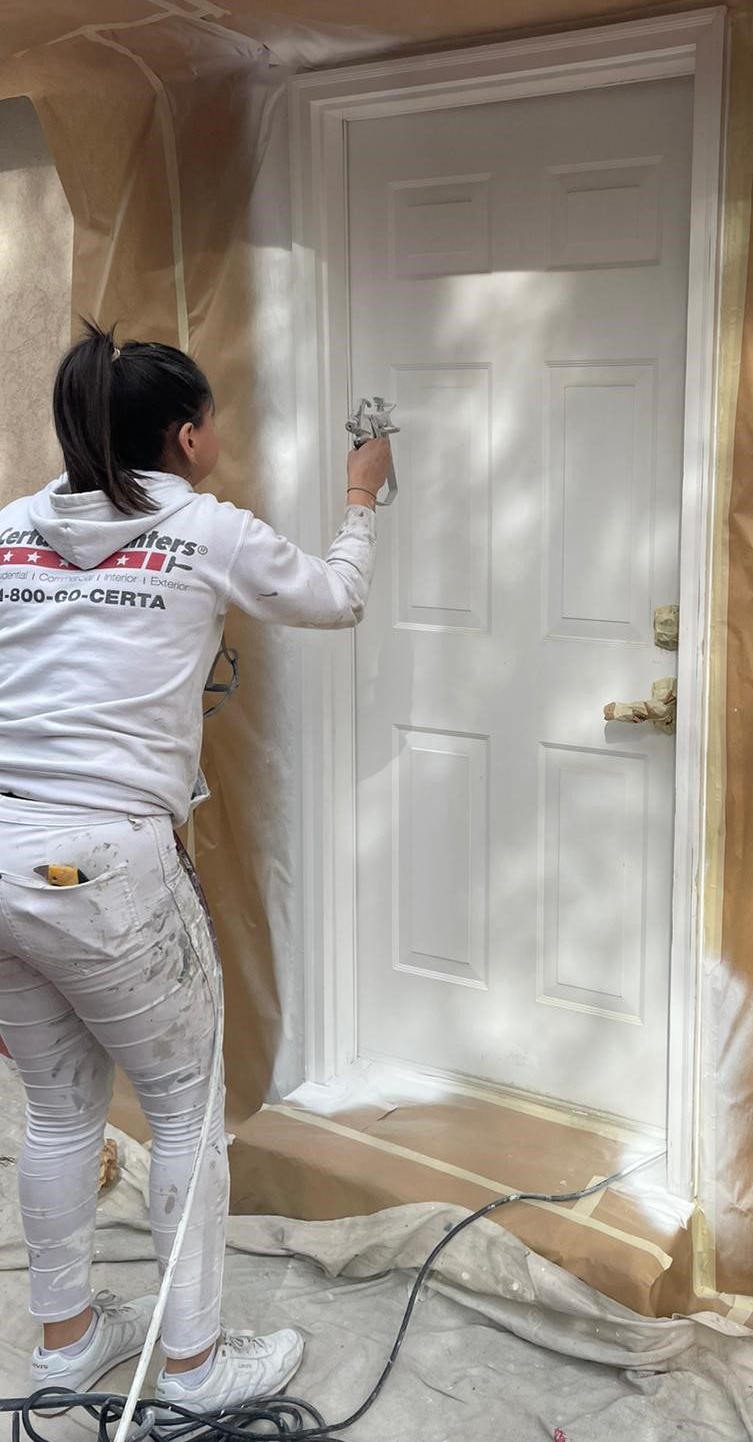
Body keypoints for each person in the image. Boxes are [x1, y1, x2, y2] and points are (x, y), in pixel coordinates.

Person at [0, 322, 392, 1410]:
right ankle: (195, 1371)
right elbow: (337, 596)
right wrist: (363, 496)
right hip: (106, 863)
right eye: (211, 421)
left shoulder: (10, 528)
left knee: (59, 1111)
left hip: (2, 847)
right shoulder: (204, 528)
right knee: (181, 1110)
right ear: (186, 436)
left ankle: (68, 1342)